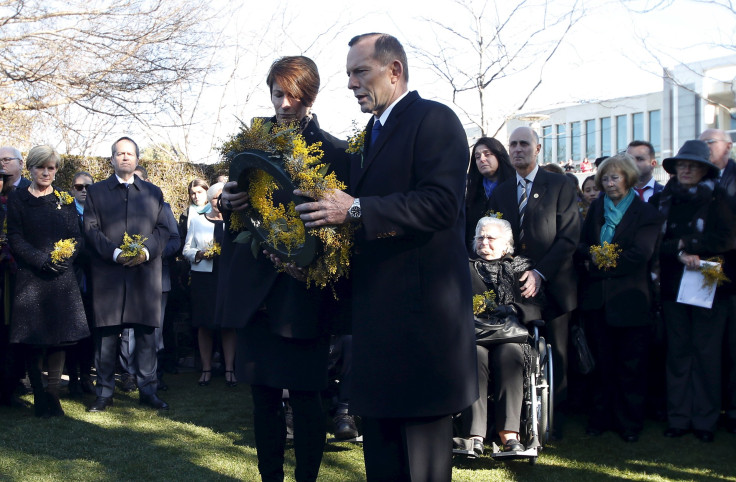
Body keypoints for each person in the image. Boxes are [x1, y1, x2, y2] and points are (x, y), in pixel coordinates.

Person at [294, 33, 477, 481]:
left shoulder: (435, 120)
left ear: (394, 70)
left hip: (422, 334)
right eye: (349, 74)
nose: (352, 83)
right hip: (377, 334)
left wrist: (356, 208)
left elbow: (440, 205)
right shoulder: (370, 135)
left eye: (361, 72)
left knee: (421, 469)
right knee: (383, 465)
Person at [218, 55, 350, 482]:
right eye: (279, 94)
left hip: (304, 291)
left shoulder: (334, 151)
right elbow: (233, 203)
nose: (286, 103)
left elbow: (341, 227)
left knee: (309, 397)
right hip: (256, 292)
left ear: (310, 96)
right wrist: (227, 201)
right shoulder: (250, 144)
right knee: (263, 397)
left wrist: (311, 263)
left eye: (295, 95)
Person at [488, 126, 580, 438]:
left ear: (537, 149)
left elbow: (569, 237)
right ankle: (517, 417)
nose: (517, 149)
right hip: (515, 288)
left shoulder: (559, 184)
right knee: (515, 351)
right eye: (512, 144)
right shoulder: (500, 191)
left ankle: (555, 420)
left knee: (558, 351)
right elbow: (498, 237)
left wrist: (540, 274)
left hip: (555, 286)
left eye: (524, 144)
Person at [650, 140, 734, 442]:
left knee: (707, 354)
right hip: (674, 287)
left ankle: (705, 421)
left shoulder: (719, 198)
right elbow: (655, 242)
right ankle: (678, 417)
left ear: (703, 169)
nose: (686, 169)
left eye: (693, 165)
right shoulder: (663, 200)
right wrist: (679, 251)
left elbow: (727, 237)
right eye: (681, 164)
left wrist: (695, 247)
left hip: (711, 286)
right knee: (678, 353)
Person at [577, 154, 663, 442]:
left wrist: (602, 262)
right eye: (605, 178)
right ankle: (600, 418)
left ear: (628, 178)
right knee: (602, 363)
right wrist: (591, 254)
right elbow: (584, 242)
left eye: (615, 177)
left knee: (631, 365)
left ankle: (630, 423)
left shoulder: (646, 213)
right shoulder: (596, 208)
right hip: (597, 300)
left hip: (630, 300)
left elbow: (641, 254)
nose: (609, 183)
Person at [84, 136, 171, 412]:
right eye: (119, 153)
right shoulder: (96, 192)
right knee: (107, 338)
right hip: (108, 275)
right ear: (111, 159)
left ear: (137, 159)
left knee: (146, 336)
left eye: (129, 154)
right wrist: (115, 253)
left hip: (144, 275)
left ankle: (148, 390)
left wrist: (144, 253)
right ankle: (104, 393)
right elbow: (90, 230)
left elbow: (164, 230)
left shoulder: (153, 192)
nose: (125, 157)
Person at [6, 145, 89, 416]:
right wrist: (41, 260)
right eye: (41, 167)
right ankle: (40, 395)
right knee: (34, 339)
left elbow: (76, 236)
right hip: (32, 278)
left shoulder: (64, 200)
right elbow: (15, 237)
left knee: (59, 339)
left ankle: (53, 394)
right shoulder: (18, 198)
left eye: (51, 168)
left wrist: (65, 259)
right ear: (30, 168)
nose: (46, 172)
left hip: (61, 280)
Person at [462, 216, 542, 455]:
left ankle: (510, 435)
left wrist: (515, 308)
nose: (484, 242)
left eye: (491, 238)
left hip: (510, 335)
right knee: (475, 357)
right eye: (480, 237)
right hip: (475, 335)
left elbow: (538, 306)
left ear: (506, 244)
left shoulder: (521, 270)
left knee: (510, 356)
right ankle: (474, 435)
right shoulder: (463, 266)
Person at [698, 128, 736, 434]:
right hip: (702, 280)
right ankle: (709, 410)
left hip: (732, 276)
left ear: (728, 146)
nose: (704, 147)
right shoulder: (695, 181)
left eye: (709, 142)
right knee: (708, 349)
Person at [182, 182, 236, 387]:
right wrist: (198, 254)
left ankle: (230, 369)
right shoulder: (197, 221)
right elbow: (186, 249)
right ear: (210, 200)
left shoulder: (236, 224)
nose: (220, 202)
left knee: (228, 324)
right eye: (215, 198)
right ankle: (206, 369)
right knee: (204, 324)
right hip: (203, 278)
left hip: (229, 280)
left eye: (224, 198)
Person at [66, 171, 96, 397]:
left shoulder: (100, 212)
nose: (84, 190)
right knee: (72, 331)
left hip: (96, 280)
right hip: (73, 279)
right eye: (79, 187)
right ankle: (73, 378)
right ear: (72, 189)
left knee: (92, 330)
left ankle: (86, 375)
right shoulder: (65, 212)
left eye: (88, 186)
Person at [464, 137, 514, 253]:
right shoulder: (472, 192)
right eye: (477, 157)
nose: (482, 159)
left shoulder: (514, 186)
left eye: (487, 154)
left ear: (499, 156)